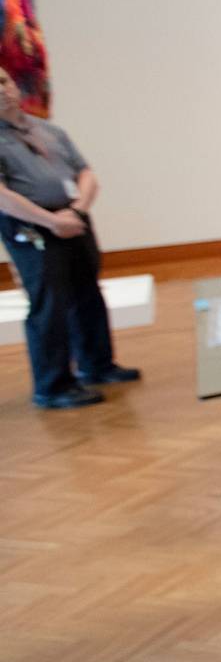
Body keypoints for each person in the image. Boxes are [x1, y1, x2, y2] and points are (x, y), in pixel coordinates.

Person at [0, 67, 139, 409]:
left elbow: (85, 172)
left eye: (3, 82)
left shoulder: (49, 130)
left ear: (15, 85)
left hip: (74, 219)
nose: (2, 91)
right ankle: (53, 385)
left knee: (87, 294)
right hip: (32, 228)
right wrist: (50, 220)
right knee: (49, 305)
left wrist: (77, 210)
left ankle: (97, 365)